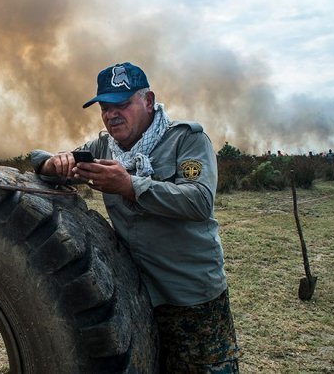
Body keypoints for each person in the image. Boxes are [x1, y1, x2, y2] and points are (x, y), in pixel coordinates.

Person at [31, 62, 240, 372]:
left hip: (190, 297)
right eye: (105, 106)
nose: (112, 113)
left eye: (123, 103)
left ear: (148, 101)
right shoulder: (104, 147)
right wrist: (54, 164)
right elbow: (43, 160)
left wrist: (130, 186)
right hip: (138, 295)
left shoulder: (186, 139)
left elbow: (199, 201)